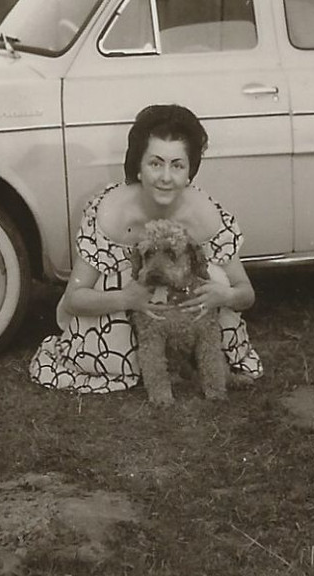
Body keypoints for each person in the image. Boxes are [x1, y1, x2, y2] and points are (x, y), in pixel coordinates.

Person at [28, 103, 263, 393]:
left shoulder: (206, 216)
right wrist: (128, 298)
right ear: (138, 167)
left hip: (190, 311)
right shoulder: (109, 214)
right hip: (118, 309)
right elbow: (74, 299)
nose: (166, 177)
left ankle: (198, 364)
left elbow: (246, 293)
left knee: (216, 275)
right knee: (114, 330)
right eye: (155, 163)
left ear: (189, 172)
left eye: (177, 165)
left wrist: (224, 295)